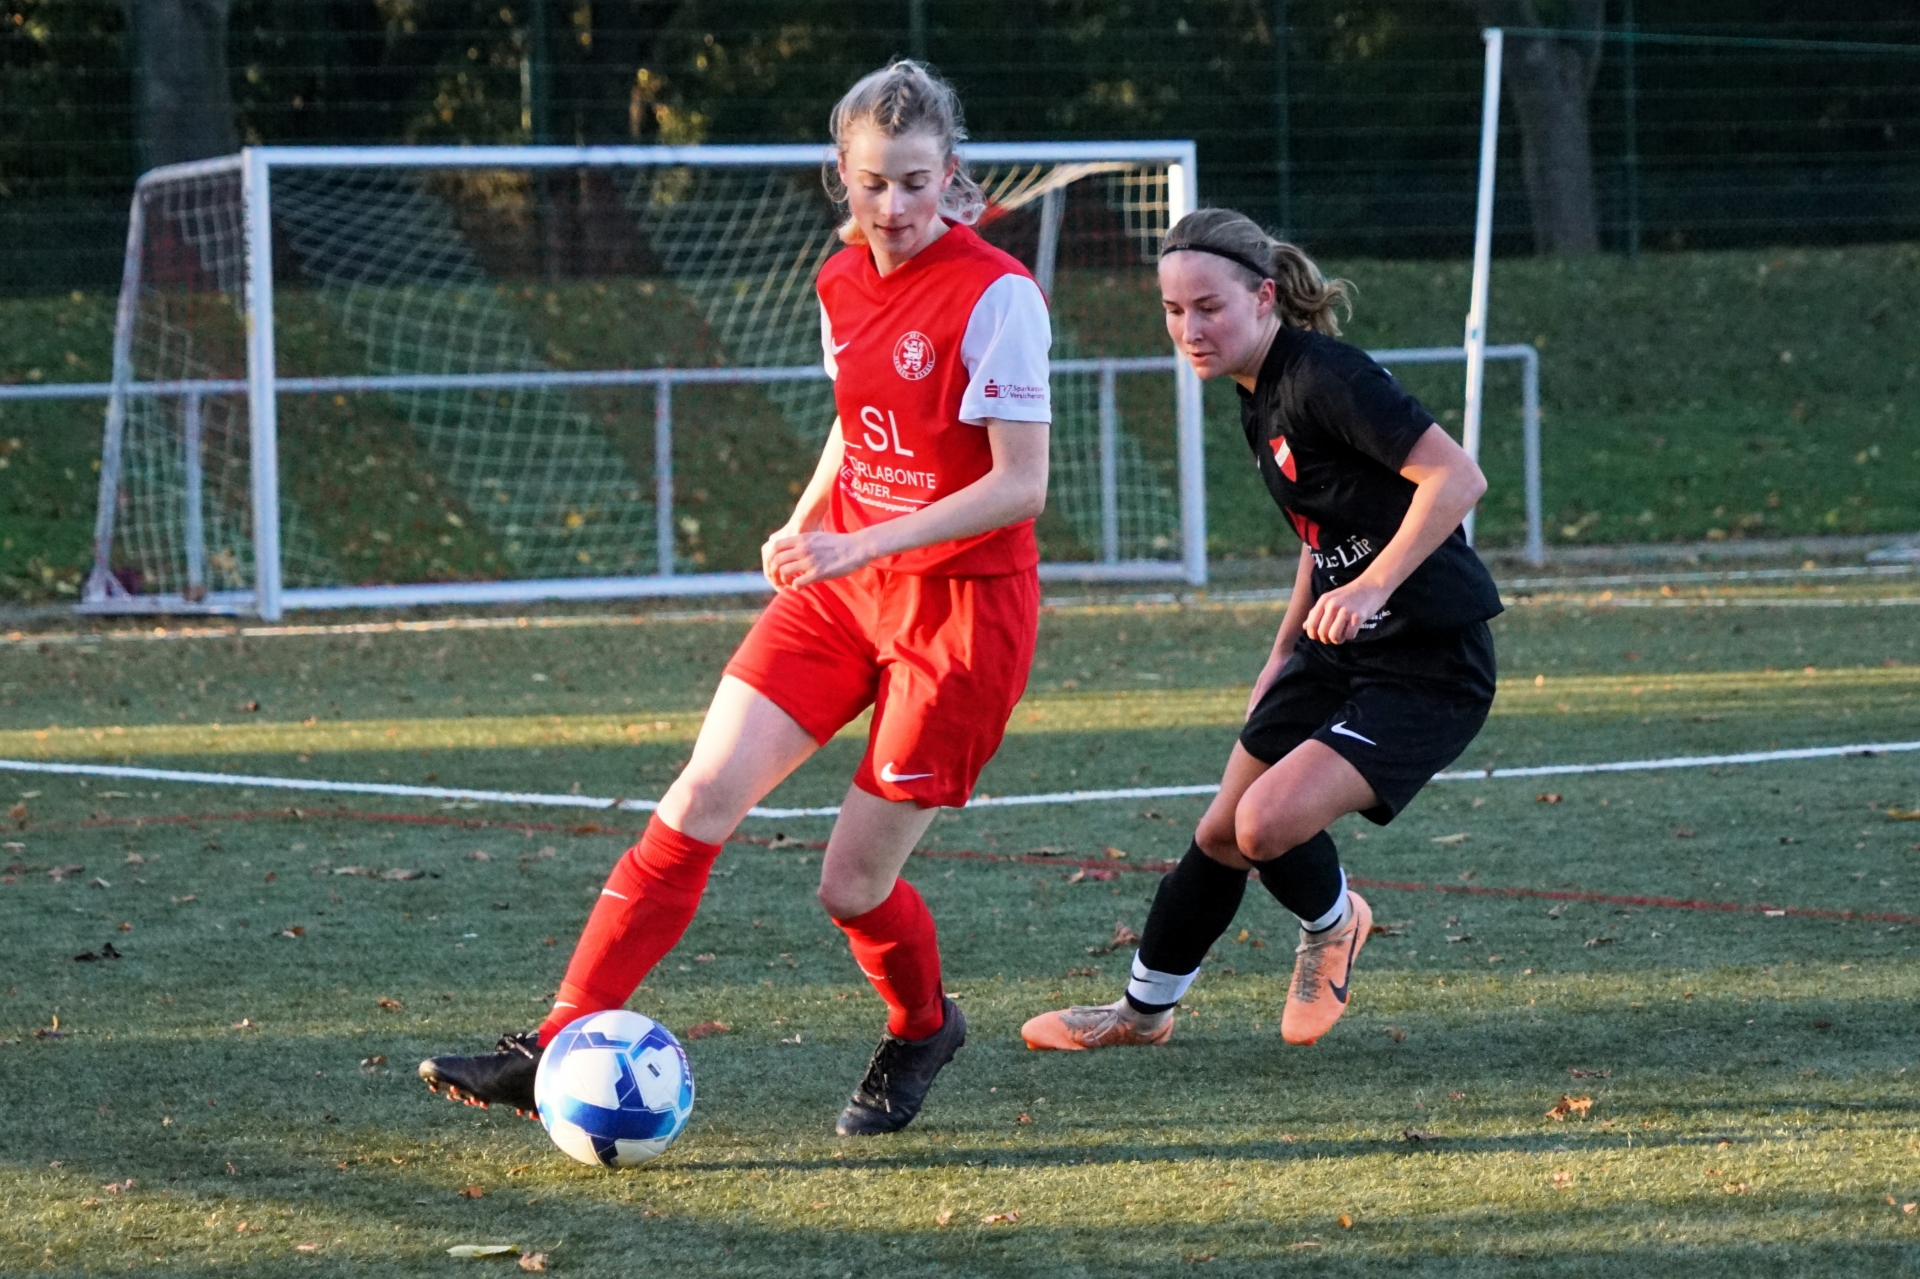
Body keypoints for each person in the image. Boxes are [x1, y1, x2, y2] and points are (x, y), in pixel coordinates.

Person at [421, 60, 1053, 1136]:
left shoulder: (998, 294)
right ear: (841, 176)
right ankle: (556, 1041)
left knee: (851, 887)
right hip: (844, 590)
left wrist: (860, 540)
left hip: (959, 617)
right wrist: (807, 519)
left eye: (915, 183)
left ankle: (923, 1025)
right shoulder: (840, 280)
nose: (894, 207)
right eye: (872, 183)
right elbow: (858, 419)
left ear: (952, 175)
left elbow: (1019, 486)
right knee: (699, 796)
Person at [1021, 208, 1500, 1052]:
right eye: (1174, 310)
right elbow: (1322, 534)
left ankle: (1335, 923)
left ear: (1264, 297)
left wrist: (1374, 585)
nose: (1189, 329)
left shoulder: (1323, 377)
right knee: (1220, 832)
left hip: (1427, 657)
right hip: (1336, 645)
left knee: (1264, 824)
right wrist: (1284, 650)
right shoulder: (1259, 392)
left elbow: (1457, 477)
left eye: (1209, 307)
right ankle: (1143, 1012)